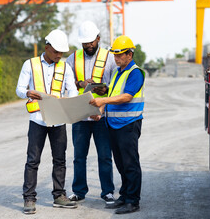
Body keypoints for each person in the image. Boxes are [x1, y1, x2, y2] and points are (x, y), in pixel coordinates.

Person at [16, 29, 78, 214]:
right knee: (33, 160)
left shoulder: (66, 67)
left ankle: (59, 196)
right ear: (47, 47)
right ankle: (29, 199)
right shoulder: (30, 64)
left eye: (61, 52)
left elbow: (72, 90)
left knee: (60, 160)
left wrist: (72, 101)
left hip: (58, 120)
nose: (59, 55)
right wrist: (28, 92)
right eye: (56, 51)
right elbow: (19, 89)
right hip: (37, 120)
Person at [89, 35, 145, 214]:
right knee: (121, 164)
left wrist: (103, 99)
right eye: (115, 55)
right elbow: (113, 95)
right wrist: (101, 111)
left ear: (130, 54)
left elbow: (126, 96)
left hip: (128, 124)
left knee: (130, 163)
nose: (116, 58)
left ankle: (133, 201)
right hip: (113, 124)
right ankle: (125, 195)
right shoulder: (117, 72)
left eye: (120, 55)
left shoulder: (135, 72)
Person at [66, 21, 116, 205]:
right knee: (79, 157)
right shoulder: (73, 58)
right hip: (80, 115)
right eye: (85, 43)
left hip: (101, 115)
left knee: (104, 155)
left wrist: (105, 90)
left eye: (91, 42)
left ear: (98, 39)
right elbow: (67, 82)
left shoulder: (109, 57)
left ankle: (108, 192)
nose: (88, 46)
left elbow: (115, 85)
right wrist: (80, 84)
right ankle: (78, 191)